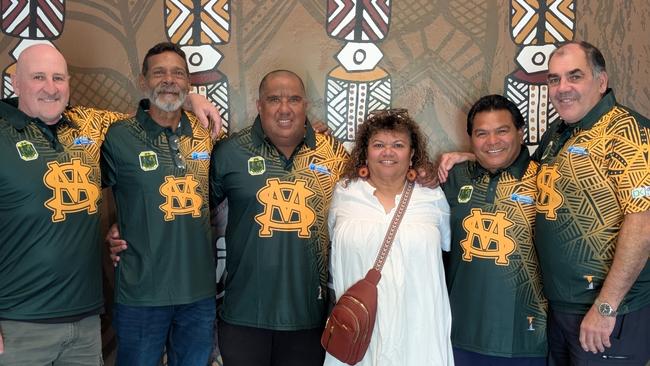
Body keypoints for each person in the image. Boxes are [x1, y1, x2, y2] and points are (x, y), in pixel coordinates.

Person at [0, 43, 220, 365]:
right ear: (15, 82)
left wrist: (190, 98)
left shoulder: (87, 125)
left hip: (86, 320)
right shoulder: (4, 132)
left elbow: (159, 111)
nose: (50, 88)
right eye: (38, 77)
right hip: (20, 322)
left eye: (58, 78)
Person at [209, 70, 349, 366]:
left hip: (309, 318)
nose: (284, 108)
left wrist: (423, 172)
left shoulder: (333, 154)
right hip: (244, 316)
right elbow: (193, 210)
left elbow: (376, 197)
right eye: (274, 99)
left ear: (305, 105)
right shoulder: (230, 152)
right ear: (259, 105)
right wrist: (127, 226)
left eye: (294, 99)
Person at [101, 42, 218, 366]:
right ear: (143, 81)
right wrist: (112, 231)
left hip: (198, 294)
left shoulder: (206, 134)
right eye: (159, 73)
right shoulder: (118, 136)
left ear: (189, 82)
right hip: (141, 296)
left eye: (178, 73)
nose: (169, 80)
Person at [534, 41, 650, 365]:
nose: (562, 88)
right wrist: (467, 158)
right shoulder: (558, 134)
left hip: (608, 315)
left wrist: (606, 306)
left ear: (601, 82)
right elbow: (523, 180)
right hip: (560, 312)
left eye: (574, 76)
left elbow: (643, 225)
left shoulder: (627, 132)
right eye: (554, 79)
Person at [325, 109, 453, 366]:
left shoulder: (432, 198)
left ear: (412, 152)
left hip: (418, 333)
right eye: (379, 145)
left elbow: (447, 249)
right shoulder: (344, 194)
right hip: (359, 331)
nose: (388, 152)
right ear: (365, 151)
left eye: (398, 145)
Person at [441, 95, 547, 365]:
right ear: (470, 138)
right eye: (482, 134)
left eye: (502, 131)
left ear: (520, 133)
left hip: (525, 338)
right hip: (458, 334)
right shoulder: (454, 176)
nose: (492, 141)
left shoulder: (545, 178)